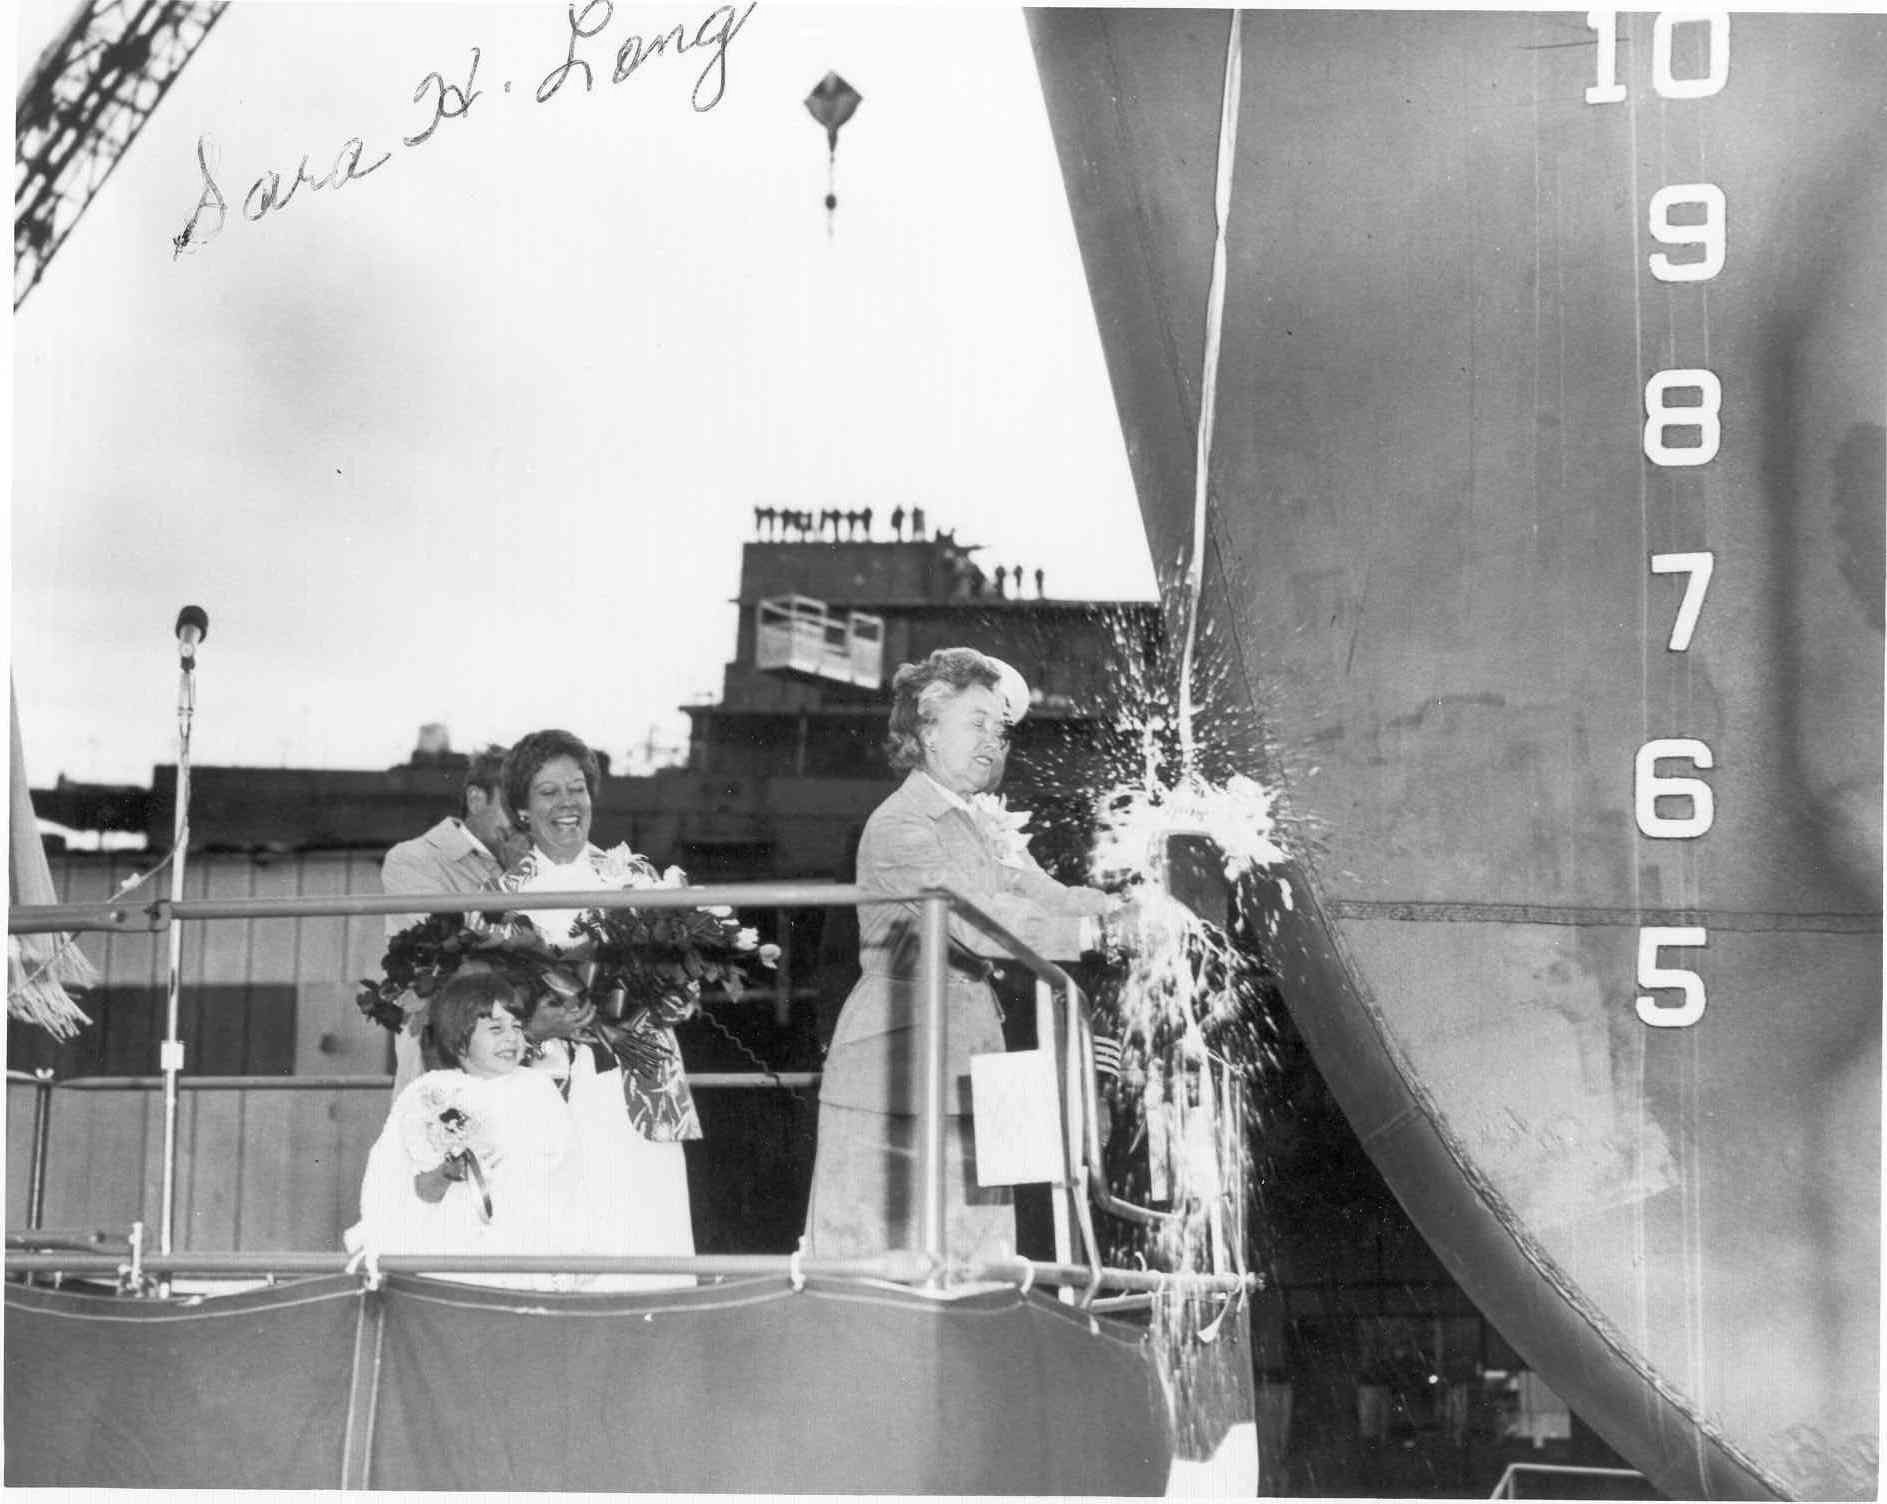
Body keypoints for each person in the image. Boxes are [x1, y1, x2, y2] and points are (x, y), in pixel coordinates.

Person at [802, 647, 1136, 1269]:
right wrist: (1099, 936)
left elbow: (1049, 898)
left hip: (976, 1047)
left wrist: (1127, 908)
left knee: (983, 1258)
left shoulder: (983, 823)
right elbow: (977, 926)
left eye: (999, 729)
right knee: (881, 1261)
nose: (994, 740)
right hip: (899, 1057)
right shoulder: (901, 824)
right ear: (927, 733)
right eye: (976, 723)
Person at [497, 728, 699, 1283]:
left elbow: (684, 1003)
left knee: (648, 1258)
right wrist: (535, 1026)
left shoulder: (639, 880)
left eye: (578, 788)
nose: (567, 803)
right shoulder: (496, 900)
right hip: (547, 1094)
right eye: (548, 792)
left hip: (637, 1090)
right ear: (521, 808)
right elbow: (484, 1024)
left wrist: (658, 991)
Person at [346, 971, 579, 1290]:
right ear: (458, 1038)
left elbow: (566, 1170)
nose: (511, 1038)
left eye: (516, 1027)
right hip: (452, 1248)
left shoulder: (537, 1088)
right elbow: (408, 1183)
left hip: (525, 1246)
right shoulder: (430, 1092)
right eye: (496, 1029)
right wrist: (447, 1170)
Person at [380, 745, 526, 1092]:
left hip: (516, 1044)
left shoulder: (531, 858)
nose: (524, 820)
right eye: (512, 805)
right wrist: (521, 878)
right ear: (476, 799)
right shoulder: (413, 859)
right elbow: (445, 956)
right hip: (446, 1048)